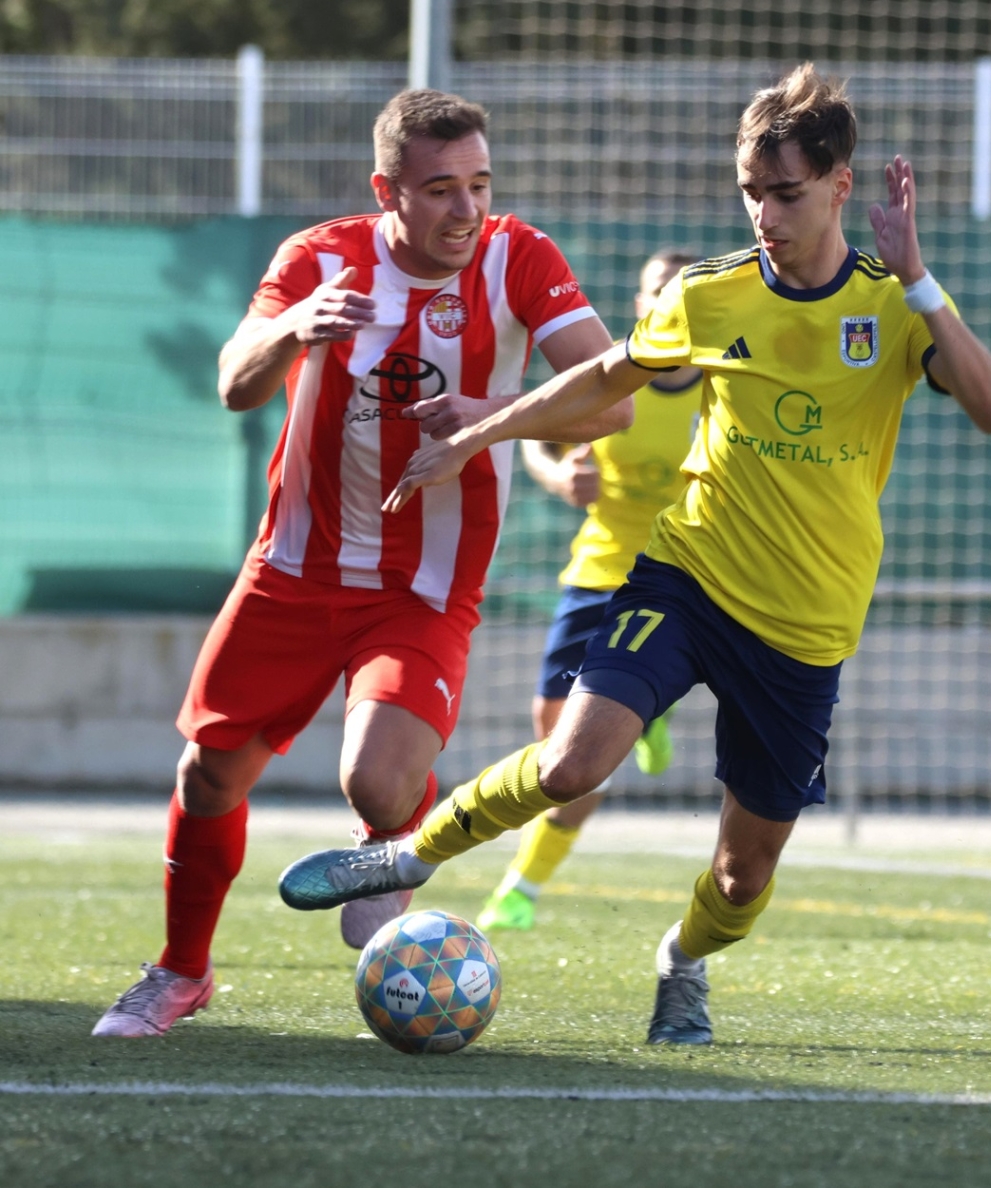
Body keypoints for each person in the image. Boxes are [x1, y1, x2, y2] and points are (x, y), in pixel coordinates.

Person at [278, 65, 991, 1045]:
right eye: (751, 191)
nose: (764, 213)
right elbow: (599, 378)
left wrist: (919, 280)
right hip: (688, 573)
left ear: (842, 187)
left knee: (740, 877)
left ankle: (682, 961)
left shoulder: (892, 306)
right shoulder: (713, 296)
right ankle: (411, 854)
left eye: (786, 193)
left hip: (804, 624)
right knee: (575, 760)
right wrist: (485, 427)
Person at [92, 88, 630, 1037]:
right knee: (207, 778)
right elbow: (233, 383)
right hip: (293, 570)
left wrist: (489, 420)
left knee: (376, 783)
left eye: (478, 184)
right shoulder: (319, 257)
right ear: (387, 191)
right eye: (438, 191)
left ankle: (389, 847)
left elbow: (610, 399)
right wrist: (292, 330)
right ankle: (180, 973)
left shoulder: (521, 256)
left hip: (424, 590)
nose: (465, 210)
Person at [477, 250, 703, 933]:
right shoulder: (614, 371)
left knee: (587, 745)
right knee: (553, 740)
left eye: (680, 292)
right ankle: (646, 711)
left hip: (681, 573)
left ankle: (520, 887)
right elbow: (536, 433)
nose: (666, 302)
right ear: (640, 305)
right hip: (599, 570)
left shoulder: (726, 380)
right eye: (655, 291)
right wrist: (558, 478)